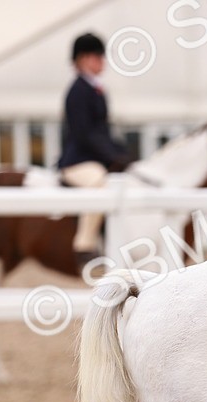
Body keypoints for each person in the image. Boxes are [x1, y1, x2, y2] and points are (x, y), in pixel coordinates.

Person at [56, 32, 133, 264]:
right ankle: (85, 244)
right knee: (100, 184)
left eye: (101, 56)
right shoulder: (78, 91)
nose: (101, 61)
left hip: (94, 158)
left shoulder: (97, 89)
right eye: (96, 56)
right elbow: (84, 134)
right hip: (77, 161)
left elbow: (104, 130)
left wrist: (123, 155)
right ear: (81, 59)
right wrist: (110, 155)